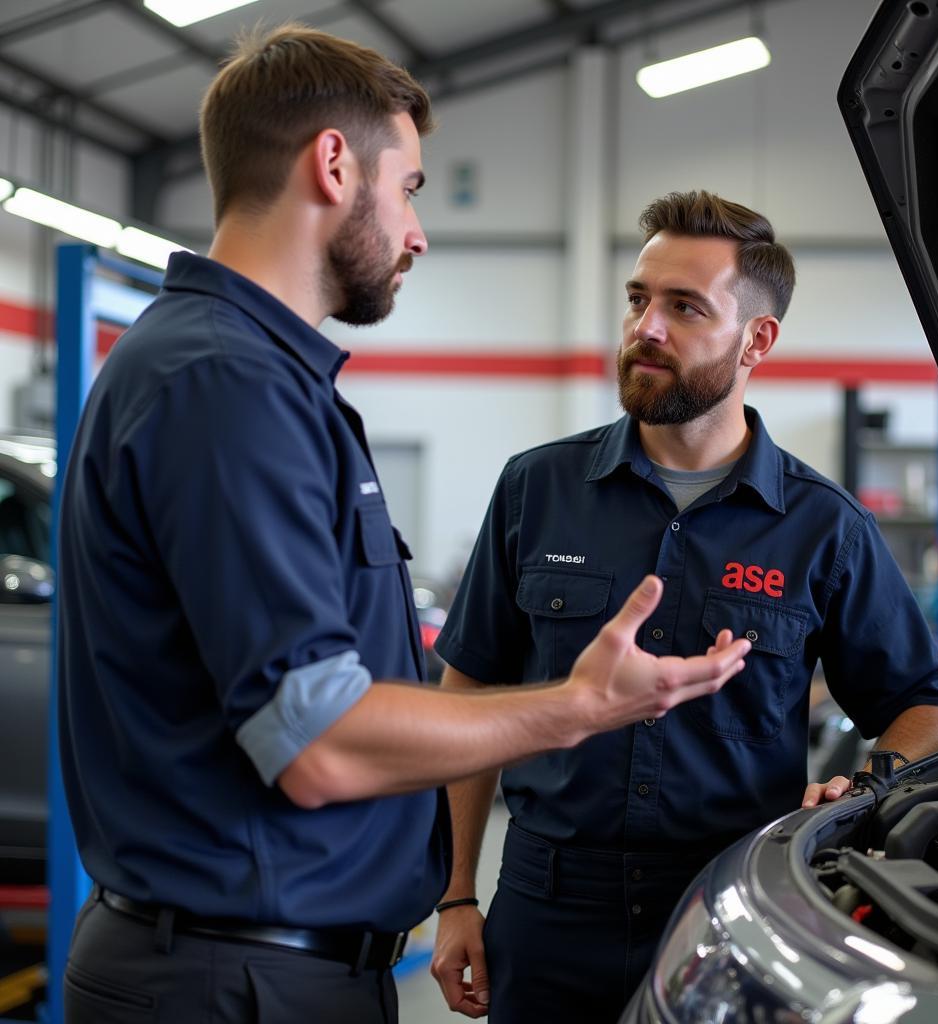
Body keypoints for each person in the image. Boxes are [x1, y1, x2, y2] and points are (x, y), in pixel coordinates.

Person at [55, 32, 753, 1024]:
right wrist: (582, 705)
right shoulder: (225, 381)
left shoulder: (247, 375)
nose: (418, 232)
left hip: (254, 969)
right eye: (410, 185)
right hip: (233, 983)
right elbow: (321, 742)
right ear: (333, 165)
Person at [429, 190, 938, 1023]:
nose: (646, 327)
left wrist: (865, 784)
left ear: (758, 339)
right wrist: (457, 893)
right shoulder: (537, 488)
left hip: (730, 906)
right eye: (639, 299)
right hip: (547, 901)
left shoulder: (824, 527)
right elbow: (469, 692)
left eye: (684, 307)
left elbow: (925, 708)